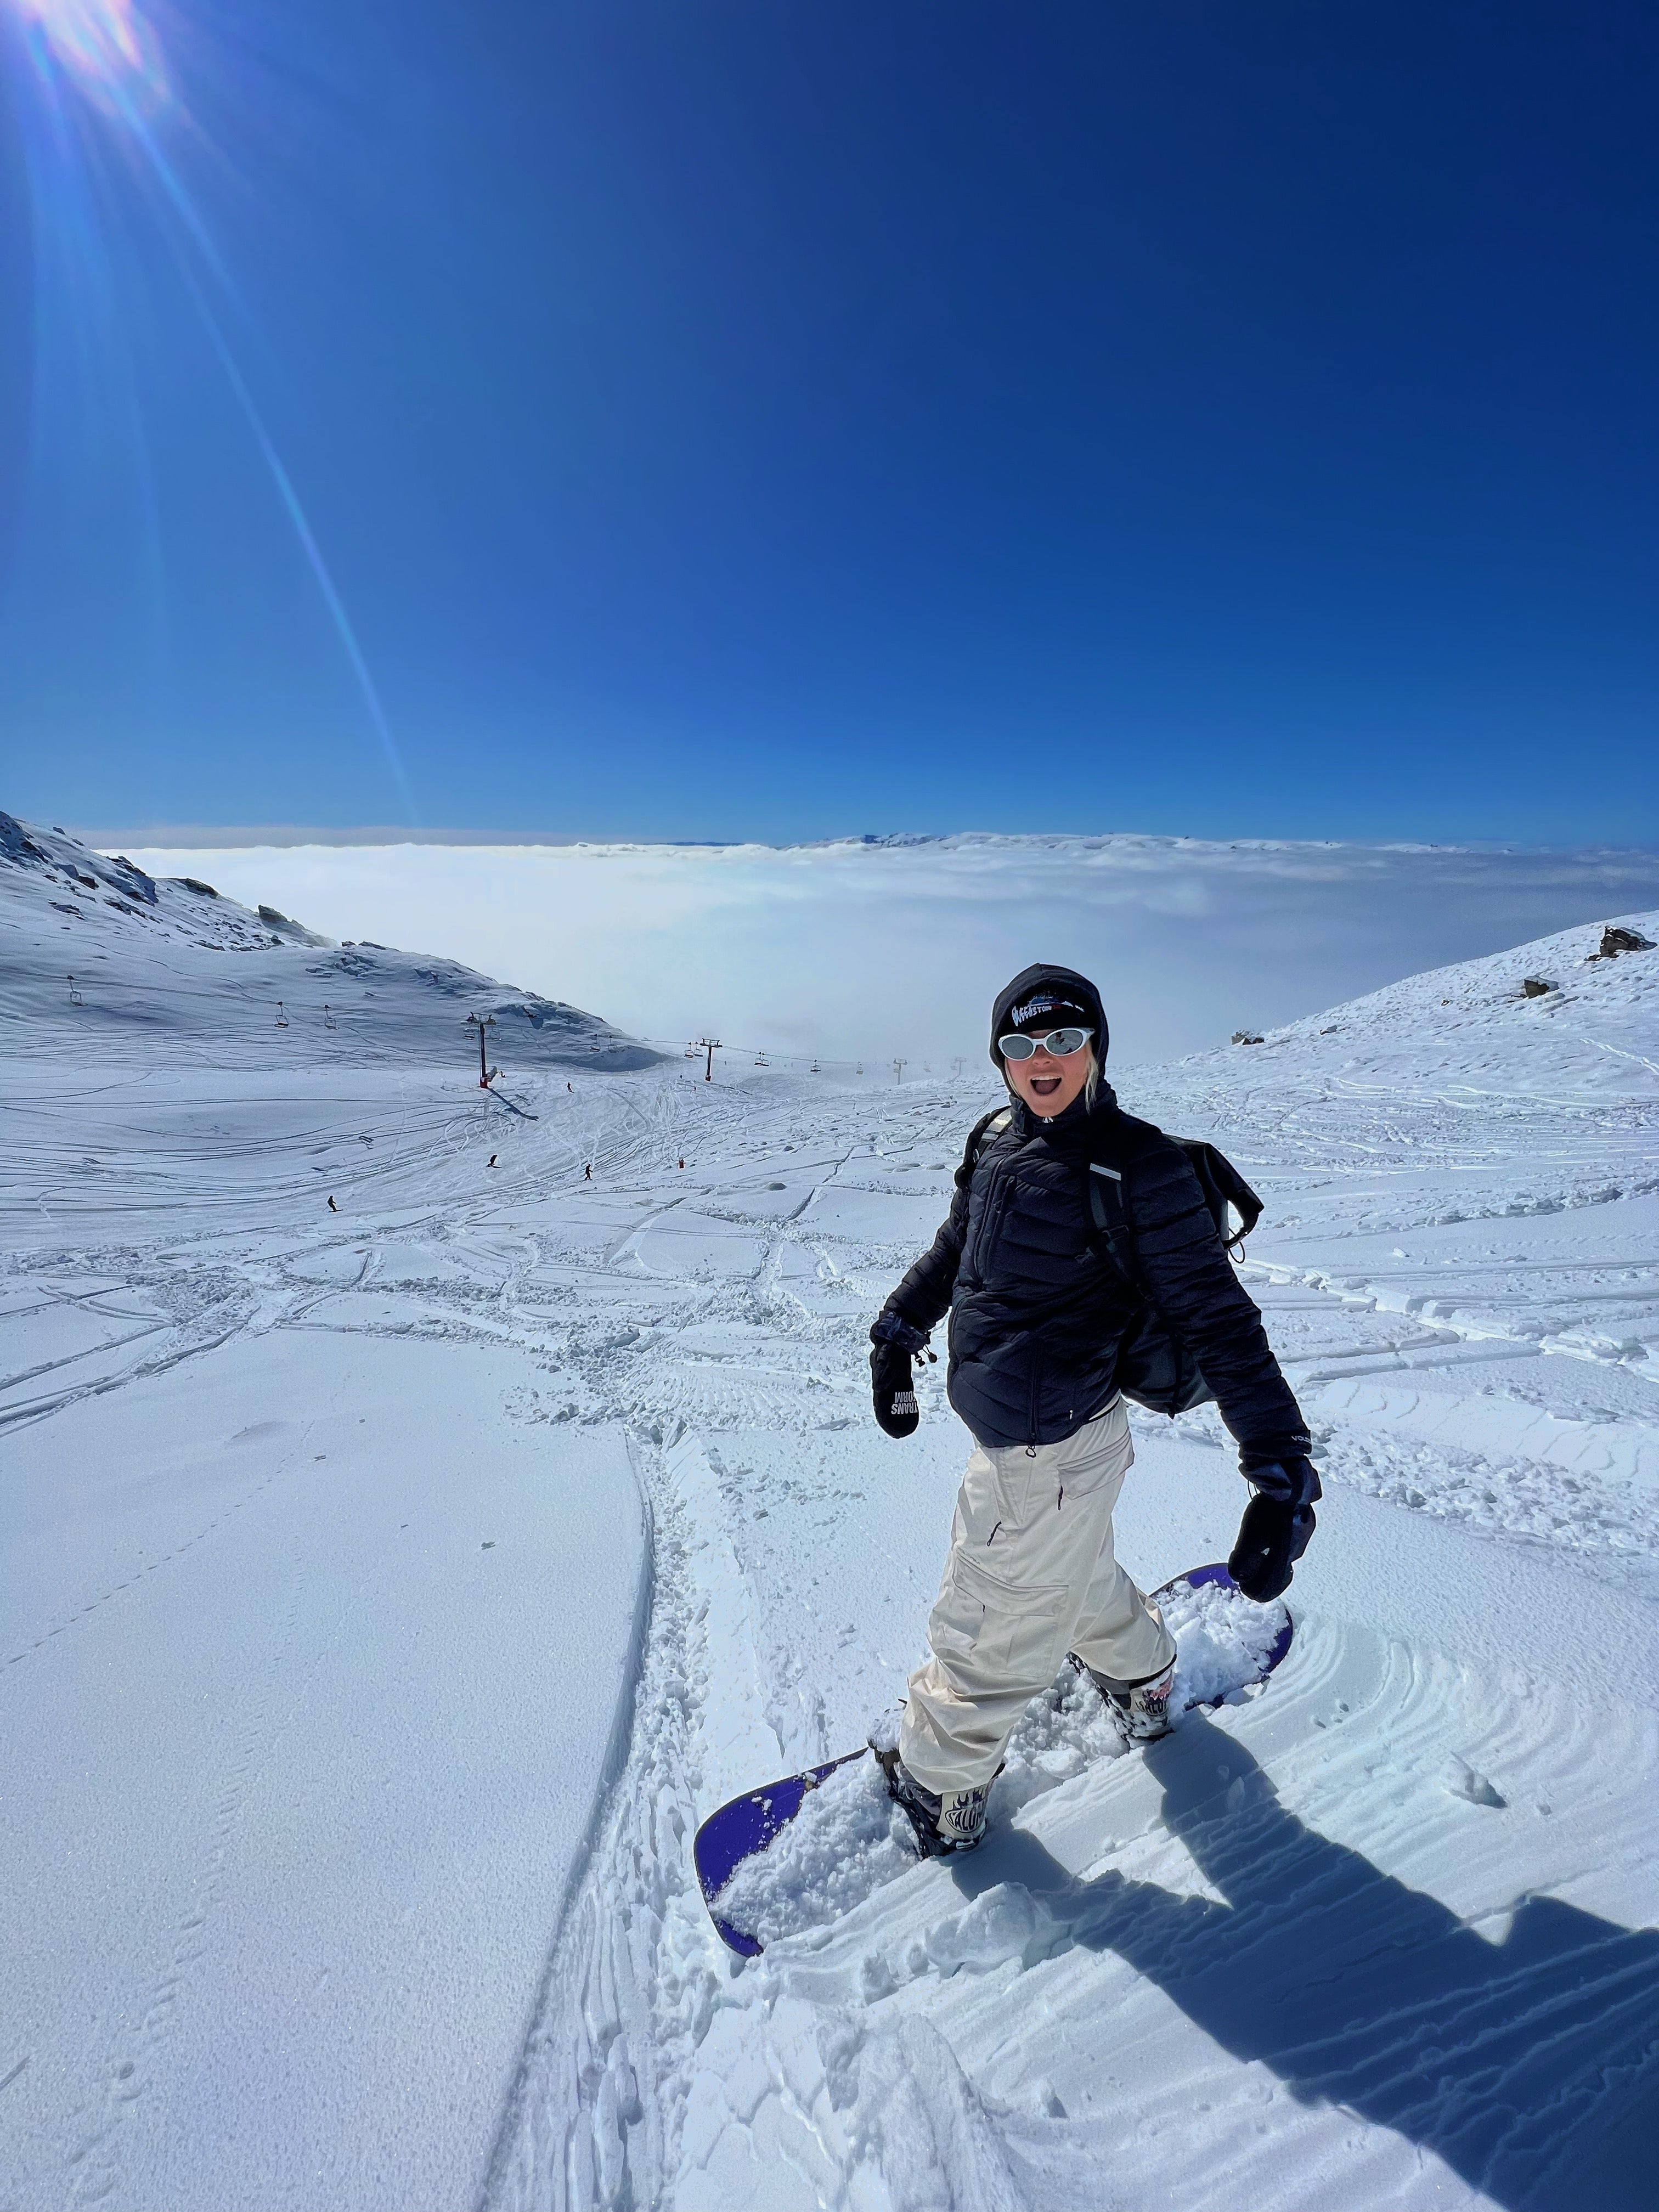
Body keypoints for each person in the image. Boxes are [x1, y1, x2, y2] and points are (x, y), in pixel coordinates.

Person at [868, 963, 1319, 1857]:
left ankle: (945, 1786)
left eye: (1065, 1040)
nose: (1043, 1061)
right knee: (1070, 1575)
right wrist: (897, 1327)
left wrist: (1280, 1475)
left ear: (1097, 1048)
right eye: (1021, 1043)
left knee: (985, 1624)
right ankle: (1145, 1681)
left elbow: (1222, 1322)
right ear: (999, 1058)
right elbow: (959, 1244)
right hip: (1069, 1445)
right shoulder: (998, 1135)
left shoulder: (1140, 1168)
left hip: (1043, 1456)